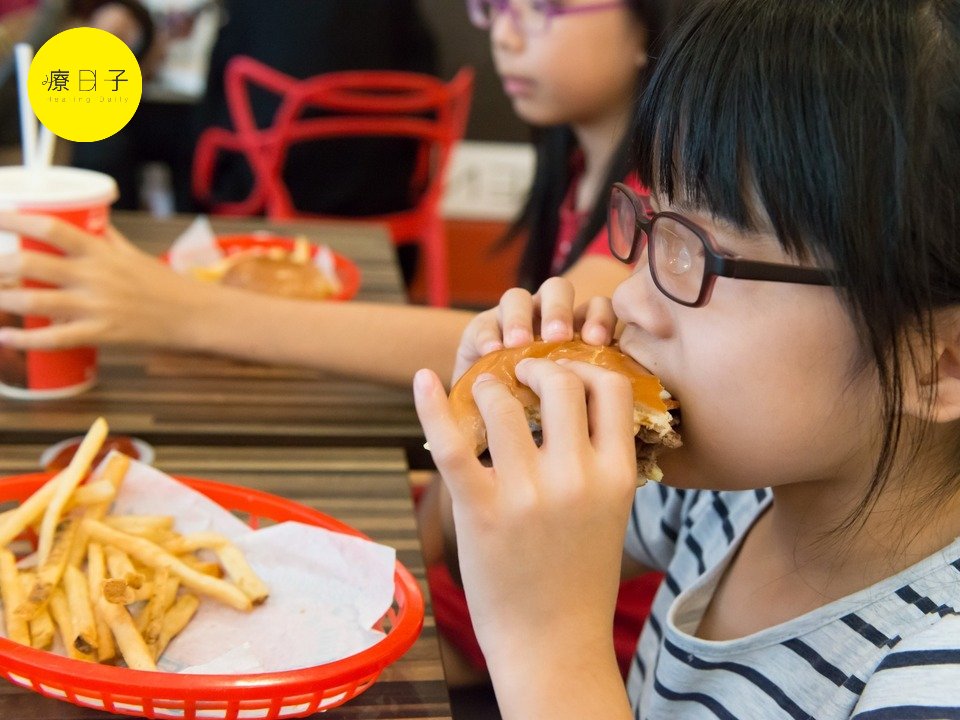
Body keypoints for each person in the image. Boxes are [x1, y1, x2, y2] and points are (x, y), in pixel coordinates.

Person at [412, 0, 960, 717]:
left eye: (698, 253)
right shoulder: (722, 496)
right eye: (651, 225)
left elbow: (536, 628)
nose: (631, 301)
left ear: (938, 363)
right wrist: (498, 443)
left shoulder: (930, 672)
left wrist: (547, 644)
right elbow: (472, 552)